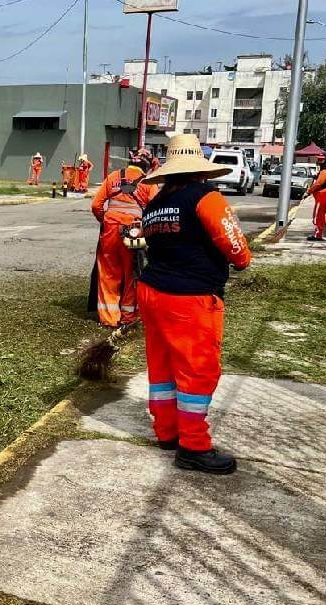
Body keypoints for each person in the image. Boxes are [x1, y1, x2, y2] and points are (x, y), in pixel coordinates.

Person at [136, 134, 252, 474]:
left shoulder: (156, 203)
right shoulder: (207, 197)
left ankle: (167, 432)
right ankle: (193, 446)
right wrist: (243, 261)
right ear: (200, 170)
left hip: (152, 292)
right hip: (190, 299)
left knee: (163, 368)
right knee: (196, 371)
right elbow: (233, 242)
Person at [90, 148, 157, 327]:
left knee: (108, 273)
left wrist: (105, 221)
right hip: (135, 230)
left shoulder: (113, 177)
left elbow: (96, 205)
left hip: (110, 229)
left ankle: (109, 318)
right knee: (133, 271)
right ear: (148, 166)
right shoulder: (149, 183)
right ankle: (128, 317)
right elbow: (155, 210)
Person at [306, 149, 326, 241]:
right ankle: (323, 229)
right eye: (318, 159)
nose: (319, 161)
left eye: (321, 159)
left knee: (318, 215)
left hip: (323, 194)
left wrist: (309, 191)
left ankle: (318, 234)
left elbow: (318, 183)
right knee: (323, 214)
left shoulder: (325, 170)